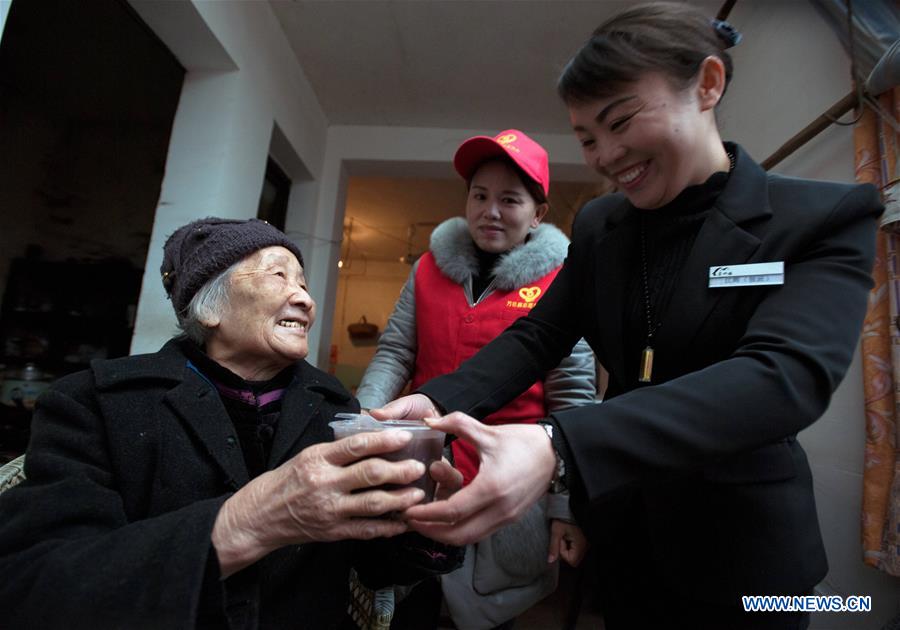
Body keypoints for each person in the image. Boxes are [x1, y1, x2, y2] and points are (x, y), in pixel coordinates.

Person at [374, 4, 884, 629]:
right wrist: (433, 402)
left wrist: (559, 443)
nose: (607, 155)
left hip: (749, 560)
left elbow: (784, 377)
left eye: (620, 122)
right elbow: (541, 333)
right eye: (587, 138)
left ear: (707, 85)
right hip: (624, 541)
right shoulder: (601, 225)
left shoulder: (821, 217)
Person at [0, 217, 462, 629]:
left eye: (304, 282)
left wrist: (421, 527)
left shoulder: (333, 406)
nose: (304, 298)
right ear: (208, 308)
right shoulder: (98, 403)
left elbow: (370, 565)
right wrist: (244, 522)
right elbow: (35, 586)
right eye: (279, 275)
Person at [356, 129, 596, 628]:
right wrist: (364, 420)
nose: (490, 211)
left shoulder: (561, 283)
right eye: (479, 195)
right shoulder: (426, 270)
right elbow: (395, 352)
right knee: (411, 602)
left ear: (538, 214)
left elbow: (574, 400)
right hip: (419, 470)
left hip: (508, 484)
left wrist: (565, 504)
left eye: (509, 200)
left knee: (490, 611)